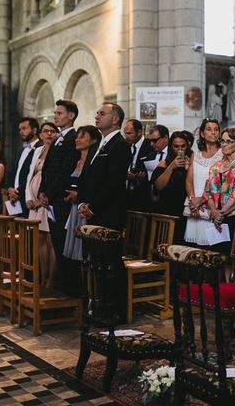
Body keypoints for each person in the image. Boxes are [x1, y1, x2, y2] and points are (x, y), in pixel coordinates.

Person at [78, 103, 133, 314]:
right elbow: (87, 177)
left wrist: (94, 206)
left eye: (102, 113)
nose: (97, 116)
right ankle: (99, 303)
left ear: (115, 119)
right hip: (93, 211)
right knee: (96, 261)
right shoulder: (98, 144)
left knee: (110, 262)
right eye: (97, 112)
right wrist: (83, 202)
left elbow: (113, 182)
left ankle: (115, 309)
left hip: (110, 213)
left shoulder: (120, 145)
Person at [38, 100, 81, 261]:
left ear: (71, 116)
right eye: (55, 113)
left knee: (63, 243)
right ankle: (60, 283)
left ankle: (66, 284)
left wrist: (48, 193)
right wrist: (42, 191)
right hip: (50, 199)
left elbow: (65, 170)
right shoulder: (56, 139)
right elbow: (47, 168)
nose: (55, 116)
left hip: (61, 198)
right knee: (56, 241)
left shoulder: (73, 138)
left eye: (59, 113)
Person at [25, 122, 59, 290]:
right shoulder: (37, 150)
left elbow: (54, 177)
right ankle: (42, 276)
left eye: (53, 131)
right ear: (40, 134)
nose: (49, 134)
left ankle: (51, 280)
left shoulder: (58, 150)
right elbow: (30, 175)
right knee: (39, 239)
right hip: (34, 201)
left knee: (50, 239)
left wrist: (41, 199)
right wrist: (28, 198)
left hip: (47, 200)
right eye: (46, 131)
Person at [204, 127, 235, 261]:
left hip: (233, 215)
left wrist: (221, 213)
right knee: (218, 257)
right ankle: (221, 283)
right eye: (222, 141)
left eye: (229, 141)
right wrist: (215, 212)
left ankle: (234, 283)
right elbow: (208, 192)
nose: (224, 144)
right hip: (216, 216)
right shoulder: (215, 166)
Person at [62, 125, 101, 262]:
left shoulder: (94, 161)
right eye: (77, 137)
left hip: (85, 206)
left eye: (82, 136)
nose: (77, 140)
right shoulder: (76, 160)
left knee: (86, 249)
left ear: (94, 140)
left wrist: (79, 195)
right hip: (73, 207)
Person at [184, 119, 222, 246]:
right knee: (194, 251)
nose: (213, 133)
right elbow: (189, 181)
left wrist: (202, 200)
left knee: (211, 248)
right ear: (202, 133)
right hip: (194, 204)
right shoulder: (196, 154)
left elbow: (220, 184)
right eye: (209, 129)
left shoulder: (223, 154)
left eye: (216, 129)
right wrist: (193, 200)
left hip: (212, 204)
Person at [153, 132, 193, 243]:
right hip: (167, 209)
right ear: (171, 147)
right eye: (176, 146)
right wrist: (171, 167)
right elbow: (158, 186)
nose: (180, 149)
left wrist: (189, 169)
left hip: (185, 209)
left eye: (183, 146)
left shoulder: (192, 162)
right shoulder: (164, 164)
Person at [6, 117, 40, 217]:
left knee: (29, 230)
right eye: (20, 129)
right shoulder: (21, 150)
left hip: (28, 197)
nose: (21, 132)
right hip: (15, 198)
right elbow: (12, 172)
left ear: (34, 130)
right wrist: (10, 189)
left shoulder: (40, 148)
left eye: (24, 128)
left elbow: (34, 175)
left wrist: (18, 192)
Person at [124, 119, 154, 212]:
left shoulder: (149, 145)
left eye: (129, 133)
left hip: (144, 192)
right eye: (125, 133)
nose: (127, 136)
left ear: (139, 132)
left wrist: (140, 175)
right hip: (127, 192)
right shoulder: (126, 146)